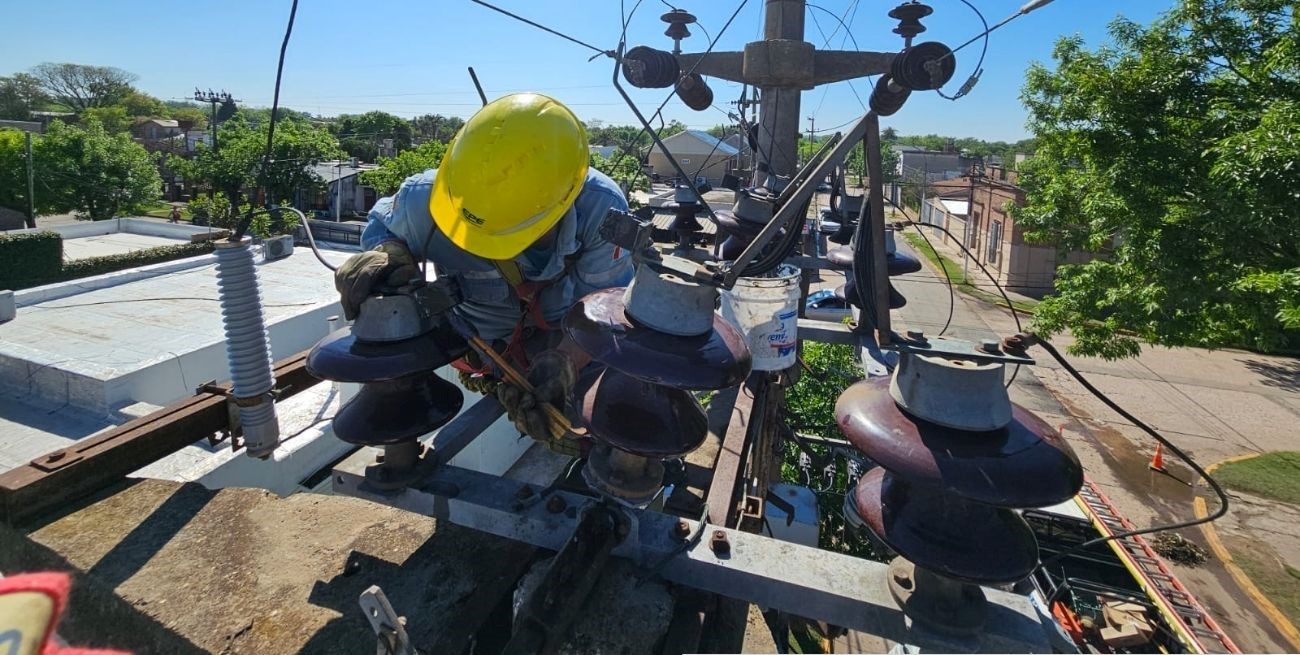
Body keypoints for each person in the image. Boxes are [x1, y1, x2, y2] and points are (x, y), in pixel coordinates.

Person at [334, 93, 633, 451]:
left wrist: (565, 363)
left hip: (561, 335)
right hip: (473, 344)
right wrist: (386, 251)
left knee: (596, 428)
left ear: (564, 201)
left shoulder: (602, 211)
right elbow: (383, 226)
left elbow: (604, 309)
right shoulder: (424, 201)